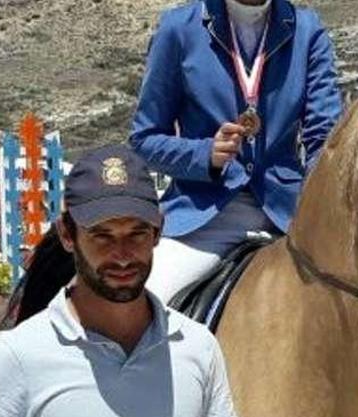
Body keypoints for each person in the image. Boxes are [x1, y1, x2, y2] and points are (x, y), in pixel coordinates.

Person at [0, 145, 243, 417]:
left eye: (137, 233)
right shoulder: (18, 358)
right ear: (67, 235)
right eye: (102, 235)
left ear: (157, 232)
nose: (122, 254)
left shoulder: (199, 347)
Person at [130, 0, 343, 302]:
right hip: (202, 219)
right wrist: (205, 154)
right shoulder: (178, 28)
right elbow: (144, 139)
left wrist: (317, 203)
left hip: (288, 216)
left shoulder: (307, 30)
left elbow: (325, 137)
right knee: (141, 302)